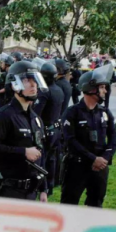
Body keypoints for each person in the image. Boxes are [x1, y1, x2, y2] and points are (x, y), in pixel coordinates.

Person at [0, 61, 49, 201]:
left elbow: (40, 153)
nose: (33, 85)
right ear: (14, 84)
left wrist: (43, 188)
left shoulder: (35, 119)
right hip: (7, 190)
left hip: (30, 191)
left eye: (35, 80)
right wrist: (23, 152)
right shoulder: (4, 115)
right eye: (27, 80)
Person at [60, 69, 116, 208]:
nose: (105, 91)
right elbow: (70, 140)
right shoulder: (72, 112)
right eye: (102, 87)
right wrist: (93, 159)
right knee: (69, 204)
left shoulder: (105, 112)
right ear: (90, 89)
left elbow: (114, 138)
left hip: (100, 168)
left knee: (96, 205)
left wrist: (104, 158)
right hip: (77, 167)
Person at [33, 61, 65, 191]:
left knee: (42, 159)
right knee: (52, 159)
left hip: (45, 129)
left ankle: (42, 186)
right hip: (55, 128)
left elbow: (36, 113)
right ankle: (50, 185)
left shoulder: (45, 92)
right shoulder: (59, 90)